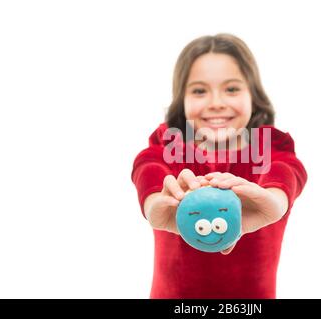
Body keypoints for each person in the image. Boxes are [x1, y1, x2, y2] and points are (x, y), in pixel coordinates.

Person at [131, 33, 307, 298]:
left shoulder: (271, 149)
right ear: (183, 99)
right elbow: (148, 167)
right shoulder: (168, 148)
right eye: (199, 91)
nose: (216, 103)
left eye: (232, 89)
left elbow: (285, 173)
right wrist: (155, 201)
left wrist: (274, 202)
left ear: (253, 95)